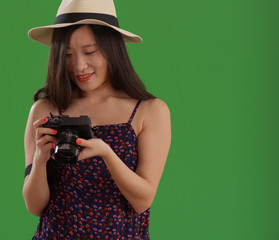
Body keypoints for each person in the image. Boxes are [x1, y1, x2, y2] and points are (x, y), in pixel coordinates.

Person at [22, 0, 171, 239]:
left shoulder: (149, 111)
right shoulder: (45, 109)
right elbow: (34, 206)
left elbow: (142, 201)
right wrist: (40, 160)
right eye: (68, 55)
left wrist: (106, 153)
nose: (79, 65)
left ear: (112, 48)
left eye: (90, 52)